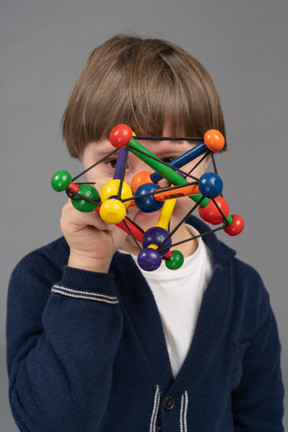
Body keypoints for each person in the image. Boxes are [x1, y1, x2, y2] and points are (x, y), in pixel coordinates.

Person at [7, 35, 284, 431]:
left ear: (208, 162)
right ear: (79, 159)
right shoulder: (41, 277)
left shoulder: (244, 290)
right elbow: (52, 423)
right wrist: (88, 265)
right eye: (114, 162)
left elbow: (261, 418)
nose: (145, 187)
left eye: (171, 160)